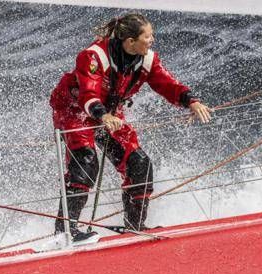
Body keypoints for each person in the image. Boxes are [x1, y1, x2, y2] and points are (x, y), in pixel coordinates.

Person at [50, 13, 212, 242]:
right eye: (148, 36)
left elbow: (167, 84)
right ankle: (65, 233)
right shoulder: (93, 57)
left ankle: (134, 227)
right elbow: (88, 93)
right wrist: (102, 115)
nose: (152, 40)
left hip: (109, 114)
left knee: (140, 164)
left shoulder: (147, 60)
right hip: (75, 111)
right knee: (85, 164)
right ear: (130, 42)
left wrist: (191, 101)